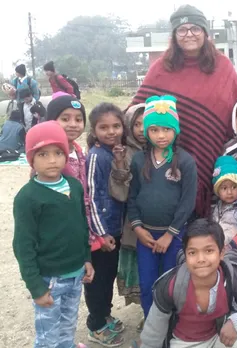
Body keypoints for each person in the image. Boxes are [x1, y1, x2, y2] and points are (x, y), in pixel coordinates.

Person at [130, 4, 237, 218]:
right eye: (182, 29)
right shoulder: (161, 68)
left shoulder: (223, 66)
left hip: (211, 154)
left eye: (195, 28)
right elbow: (136, 111)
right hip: (168, 158)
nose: (189, 34)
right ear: (174, 34)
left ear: (205, 33)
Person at [13, 121, 94, 348]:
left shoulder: (74, 186)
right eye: (43, 154)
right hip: (50, 279)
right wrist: (36, 287)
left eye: (58, 152)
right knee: (48, 336)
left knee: (68, 325)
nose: (52, 160)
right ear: (31, 158)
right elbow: (23, 245)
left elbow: (81, 225)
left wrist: (87, 258)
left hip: (76, 274)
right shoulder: (28, 198)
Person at [140, 218, 237, 348]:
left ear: (221, 253)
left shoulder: (236, 277)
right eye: (192, 252)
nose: (201, 259)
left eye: (209, 251)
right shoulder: (170, 285)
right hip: (183, 342)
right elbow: (153, 334)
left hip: (220, 339)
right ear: (185, 255)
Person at [128, 95, 197, 321]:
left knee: (173, 284)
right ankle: (152, 327)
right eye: (154, 129)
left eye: (167, 129)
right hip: (145, 235)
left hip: (174, 236)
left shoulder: (185, 161)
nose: (160, 135)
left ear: (175, 130)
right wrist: (138, 229)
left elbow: (188, 202)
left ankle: (172, 328)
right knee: (148, 283)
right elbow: (132, 196)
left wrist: (170, 234)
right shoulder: (138, 160)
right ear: (147, 132)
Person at [85, 103, 126, 347]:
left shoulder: (113, 152)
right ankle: (96, 325)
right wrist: (101, 234)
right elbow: (91, 198)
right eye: (104, 127)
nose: (111, 131)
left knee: (108, 275)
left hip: (114, 229)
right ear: (94, 129)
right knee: (98, 280)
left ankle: (105, 315)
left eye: (116, 126)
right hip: (102, 233)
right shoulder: (95, 156)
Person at [45, 95, 105, 252]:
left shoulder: (80, 152)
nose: (73, 124)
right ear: (51, 120)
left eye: (79, 120)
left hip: (85, 227)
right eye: (65, 119)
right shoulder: (48, 160)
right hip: (62, 231)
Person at [109, 103, 146, 314]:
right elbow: (121, 193)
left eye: (145, 123)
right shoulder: (124, 153)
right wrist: (121, 165)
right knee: (140, 267)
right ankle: (145, 311)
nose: (141, 129)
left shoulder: (160, 148)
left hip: (159, 219)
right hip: (134, 222)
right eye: (137, 124)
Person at [211, 155, 237, 251]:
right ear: (218, 191)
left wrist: (230, 247)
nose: (229, 192)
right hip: (219, 250)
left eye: (234, 187)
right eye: (224, 188)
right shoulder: (217, 207)